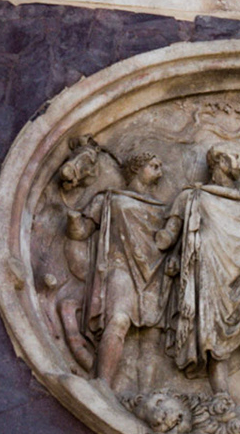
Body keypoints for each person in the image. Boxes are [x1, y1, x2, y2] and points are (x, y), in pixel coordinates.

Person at [162, 146, 240, 408]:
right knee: (213, 332)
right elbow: (171, 235)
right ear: (218, 161)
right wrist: (173, 251)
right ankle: (221, 393)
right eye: (234, 157)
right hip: (211, 270)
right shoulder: (194, 197)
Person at [65, 150, 174, 386]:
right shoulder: (110, 199)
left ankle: (146, 393)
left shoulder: (163, 208)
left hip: (155, 271)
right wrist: (72, 218)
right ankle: (103, 383)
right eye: (153, 165)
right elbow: (82, 231)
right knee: (118, 320)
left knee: (151, 337)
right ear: (136, 168)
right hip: (120, 266)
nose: (160, 171)